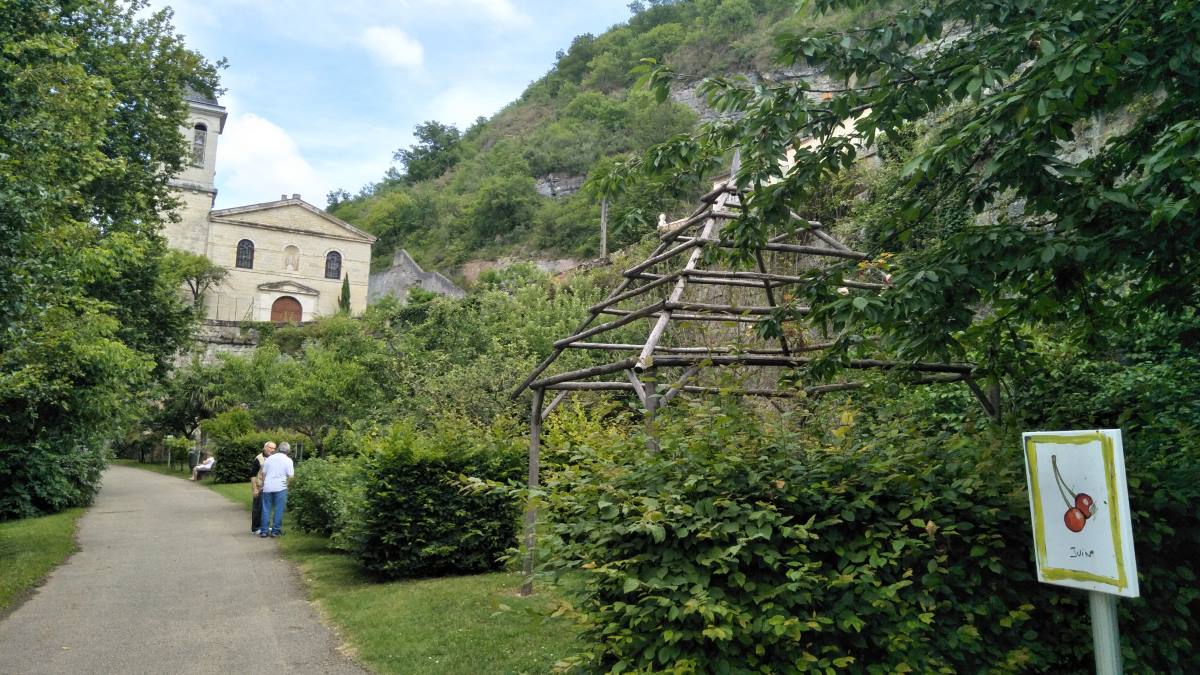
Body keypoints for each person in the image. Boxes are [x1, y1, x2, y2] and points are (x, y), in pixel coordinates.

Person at [259, 441, 294, 538]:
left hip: (267, 486)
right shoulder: (288, 460)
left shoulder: (269, 458)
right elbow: (290, 476)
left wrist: (264, 484)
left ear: (278, 449)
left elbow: (263, 473)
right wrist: (287, 485)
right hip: (280, 487)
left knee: (266, 509)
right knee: (279, 509)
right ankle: (275, 531)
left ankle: (264, 531)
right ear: (288, 451)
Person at [250, 441, 276, 534]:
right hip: (259, 487)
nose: (272, 450)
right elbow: (253, 475)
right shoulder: (258, 459)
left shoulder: (273, 458)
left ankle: (265, 526)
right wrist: (254, 489)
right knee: (258, 507)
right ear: (265, 447)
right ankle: (256, 528)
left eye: (274, 448)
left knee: (267, 508)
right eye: (270, 448)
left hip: (269, 487)